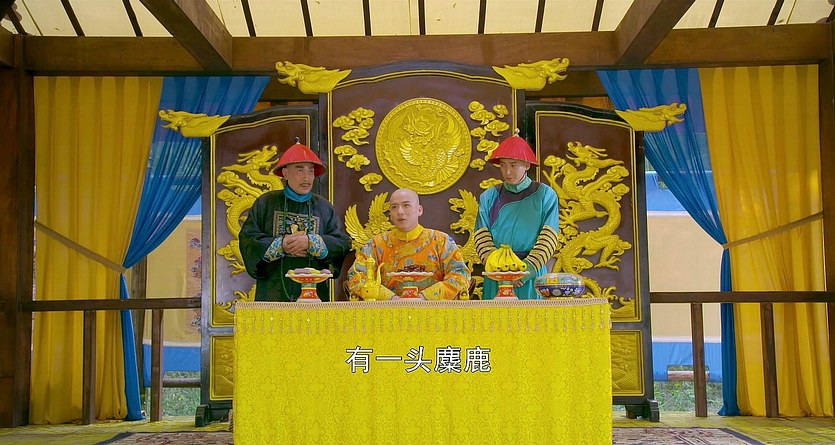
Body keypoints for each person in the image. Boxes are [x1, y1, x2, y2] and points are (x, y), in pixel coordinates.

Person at [239, 140, 352, 301]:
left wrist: (312, 242)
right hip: (273, 294)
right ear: (285, 173)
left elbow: (343, 243)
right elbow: (248, 240)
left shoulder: (323, 207)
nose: (307, 178)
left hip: (315, 297)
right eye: (300, 170)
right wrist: (281, 245)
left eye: (311, 171)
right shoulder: (266, 203)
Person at [474, 130, 560, 300]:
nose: (507, 172)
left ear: (527, 165)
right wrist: (500, 271)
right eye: (503, 165)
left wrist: (525, 270)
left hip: (531, 273)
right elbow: (481, 237)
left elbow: (549, 237)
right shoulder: (489, 196)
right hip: (497, 275)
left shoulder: (545, 195)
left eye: (513, 165)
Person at [346, 188, 471, 300]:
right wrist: (389, 298)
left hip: (433, 310)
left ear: (419, 210)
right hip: (386, 311)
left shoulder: (440, 241)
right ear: (390, 214)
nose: (400, 211)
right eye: (394, 207)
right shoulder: (376, 244)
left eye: (406, 205)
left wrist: (425, 297)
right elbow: (355, 276)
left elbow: (460, 274)